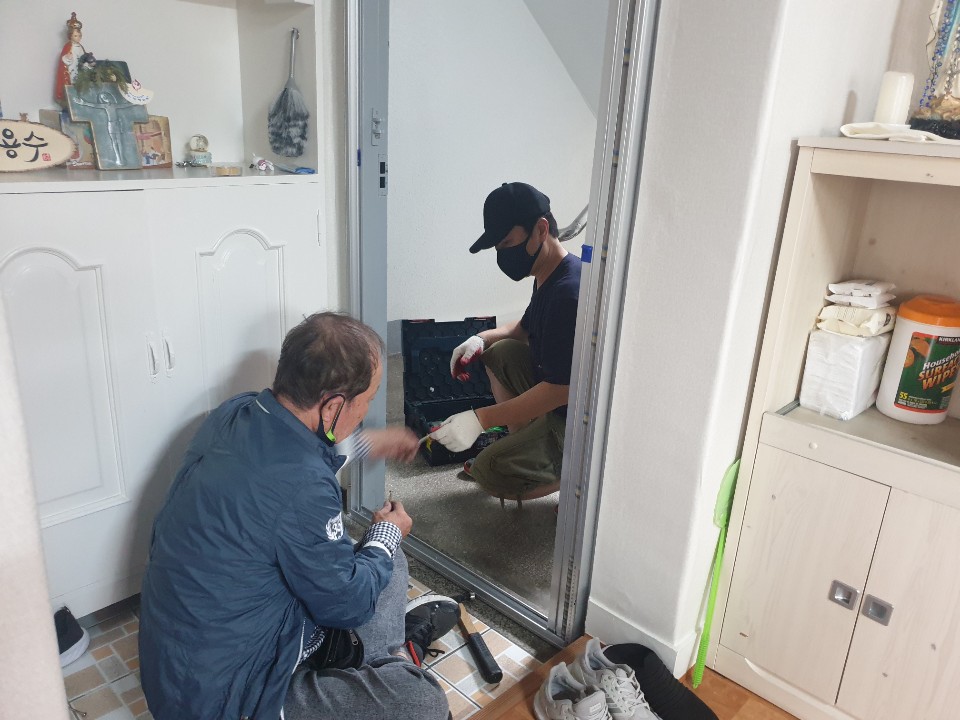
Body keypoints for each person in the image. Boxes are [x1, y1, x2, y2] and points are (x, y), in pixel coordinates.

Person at [139, 312, 450, 720]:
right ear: (333, 405)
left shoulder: (237, 412)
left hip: (183, 670)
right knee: (422, 700)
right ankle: (391, 663)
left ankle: (374, 662)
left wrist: (367, 443)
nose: (367, 410)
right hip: (231, 701)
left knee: (387, 562)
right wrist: (388, 533)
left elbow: (297, 454)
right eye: (368, 400)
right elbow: (349, 605)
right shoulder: (305, 488)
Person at [431, 182, 582, 506]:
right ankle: (526, 444)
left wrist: (481, 419)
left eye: (508, 243)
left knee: (490, 471)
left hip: (572, 418)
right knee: (498, 352)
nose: (504, 256)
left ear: (541, 230)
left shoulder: (568, 293)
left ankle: (577, 476)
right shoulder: (548, 274)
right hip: (555, 398)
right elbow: (523, 329)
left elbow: (562, 390)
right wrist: (479, 339)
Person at [55, 13, 86, 107]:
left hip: (78, 70)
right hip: (71, 70)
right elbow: (64, 59)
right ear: (70, 36)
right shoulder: (68, 46)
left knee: (78, 84)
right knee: (71, 84)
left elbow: (83, 57)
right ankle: (68, 100)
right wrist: (67, 57)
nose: (78, 38)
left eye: (79, 36)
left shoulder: (80, 47)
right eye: (76, 36)